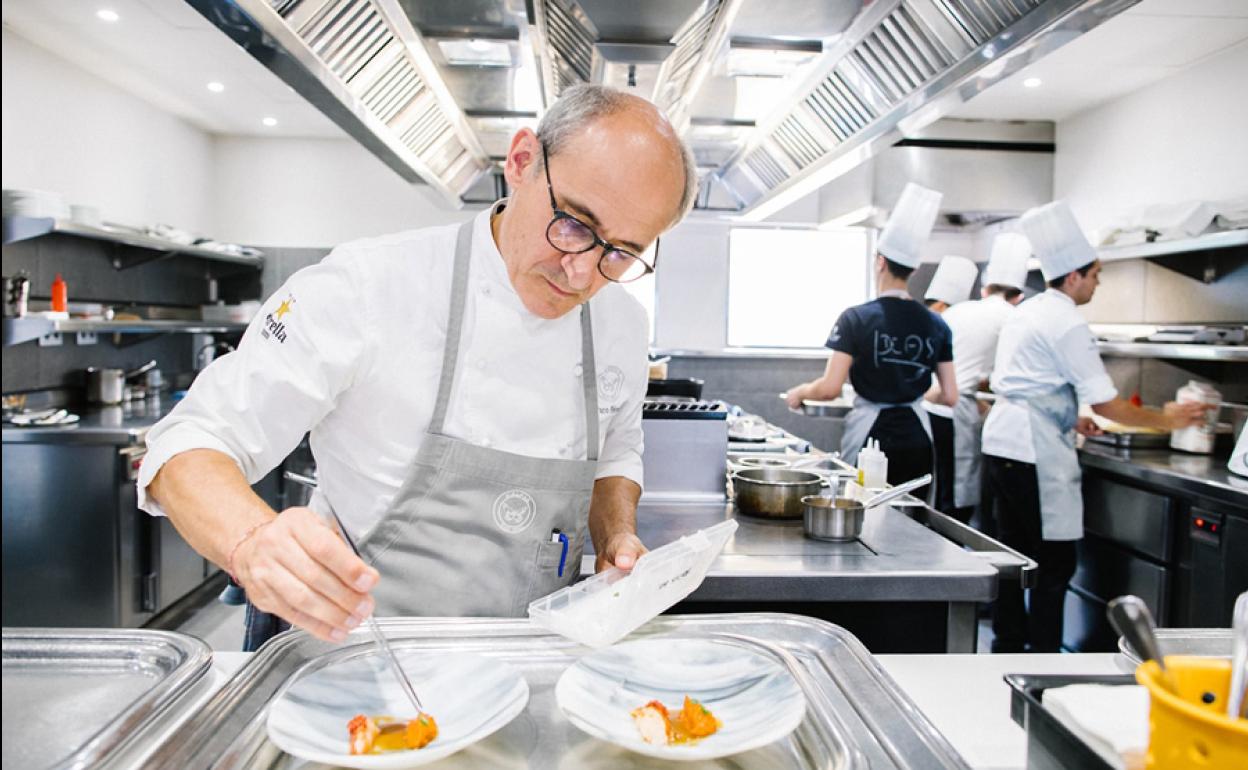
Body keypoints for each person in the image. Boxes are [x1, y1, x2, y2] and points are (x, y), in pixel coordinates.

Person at [138, 84, 698, 649]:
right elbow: (189, 439)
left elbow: (617, 452)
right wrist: (253, 540)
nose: (582, 273)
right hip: (359, 664)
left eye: (621, 253)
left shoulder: (621, 321)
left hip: (532, 660)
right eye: (575, 224)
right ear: (523, 162)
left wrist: (616, 534)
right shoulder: (369, 285)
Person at [981, 201, 1208, 653]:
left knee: (1010, 557)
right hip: (1034, 452)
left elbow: (1033, 386)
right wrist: (1169, 418)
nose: (1098, 284)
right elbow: (1108, 402)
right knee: (1055, 564)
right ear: (1073, 277)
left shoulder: (1029, 310)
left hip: (1003, 443)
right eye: (1096, 275)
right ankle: (1044, 662)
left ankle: (1006, 648)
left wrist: (1071, 416)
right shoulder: (1067, 322)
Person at [786, 183, 958, 498]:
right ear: (915, 269)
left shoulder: (856, 318)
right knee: (915, 521)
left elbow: (829, 388)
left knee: (864, 514)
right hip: (919, 437)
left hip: (872, 439)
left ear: (879, 262)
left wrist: (800, 392)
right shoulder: (937, 324)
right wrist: (910, 389)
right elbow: (949, 396)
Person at [926, 237, 1029, 522]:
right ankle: (950, 555)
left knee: (939, 488)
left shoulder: (959, 310)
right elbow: (1006, 375)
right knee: (958, 494)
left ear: (985, 290)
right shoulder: (1013, 317)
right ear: (1018, 295)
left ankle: (939, 552)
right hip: (959, 410)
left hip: (932, 408)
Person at [920, 255, 979, 514]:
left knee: (943, 487)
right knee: (945, 488)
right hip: (940, 412)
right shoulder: (936, 323)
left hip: (938, 411)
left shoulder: (945, 323)